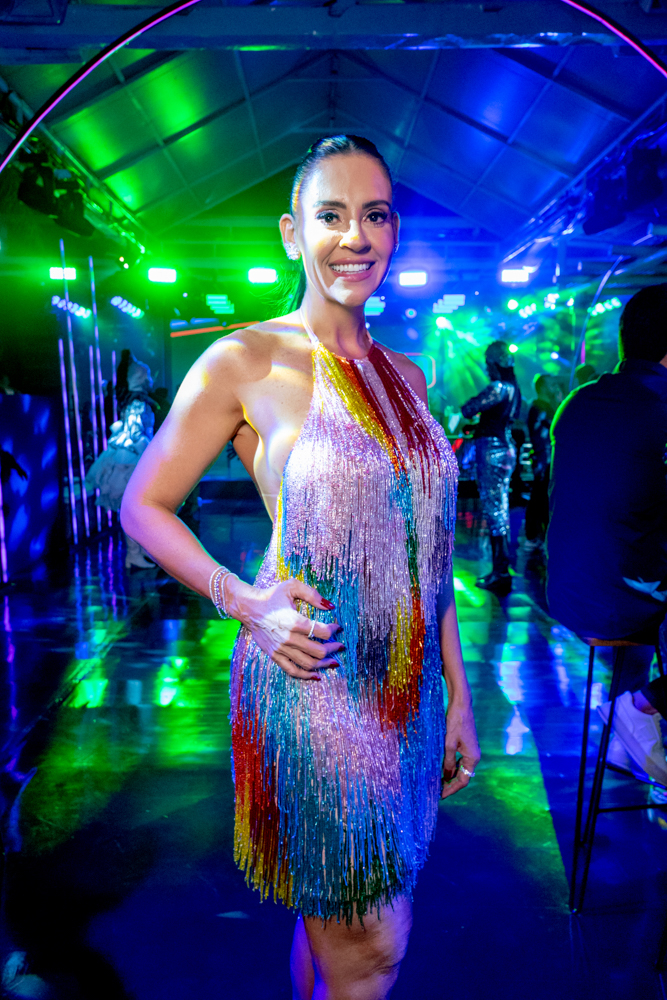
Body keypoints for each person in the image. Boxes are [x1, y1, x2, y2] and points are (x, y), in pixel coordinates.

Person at [121, 134, 480, 1000]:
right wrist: (245, 601)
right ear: (292, 233)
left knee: (331, 927)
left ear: (393, 232)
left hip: (406, 695)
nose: (355, 237)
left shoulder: (409, 376)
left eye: (374, 216)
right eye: (331, 216)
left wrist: (457, 691)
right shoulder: (245, 359)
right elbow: (143, 505)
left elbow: (427, 556)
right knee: (372, 945)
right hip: (313, 681)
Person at [547, 285, 667, 692]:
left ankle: (626, 708)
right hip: (626, 600)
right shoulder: (660, 405)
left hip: (569, 591)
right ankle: (642, 705)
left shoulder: (577, 401)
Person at [85, 350, 157, 568]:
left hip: (130, 457)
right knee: (136, 508)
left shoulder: (132, 400)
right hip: (133, 458)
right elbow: (135, 432)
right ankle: (134, 553)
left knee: (137, 508)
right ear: (141, 377)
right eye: (147, 375)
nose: (150, 379)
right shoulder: (138, 402)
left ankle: (138, 551)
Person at [461, 340, 521, 590]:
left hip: (493, 450)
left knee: (495, 510)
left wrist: (474, 417)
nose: (486, 368)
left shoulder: (498, 388)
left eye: (488, 362)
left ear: (495, 363)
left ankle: (500, 572)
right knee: (500, 508)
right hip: (505, 447)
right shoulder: (514, 388)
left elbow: (469, 408)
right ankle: (500, 569)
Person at [524, 374, 563, 555]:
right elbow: (555, 427)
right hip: (544, 460)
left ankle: (537, 536)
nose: (555, 387)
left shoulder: (543, 407)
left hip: (545, 459)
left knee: (542, 497)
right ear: (543, 387)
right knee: (540, 497)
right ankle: (534, 536)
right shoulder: (540, 407)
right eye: (552, 384)